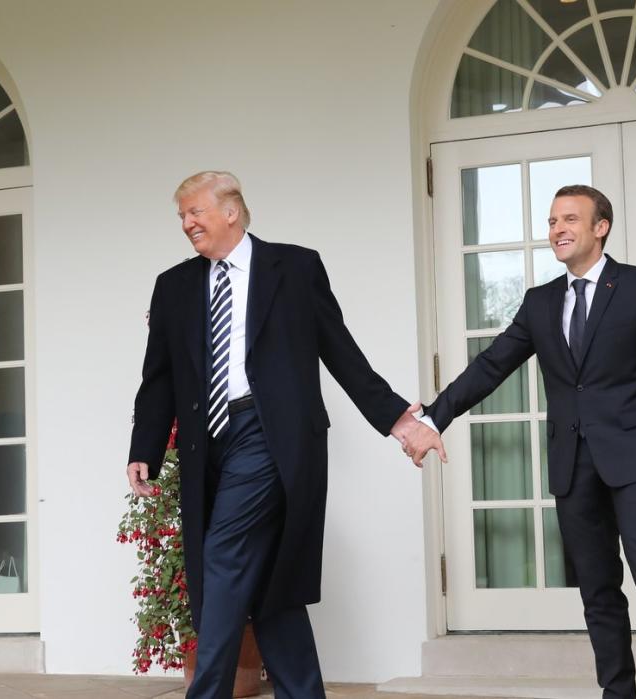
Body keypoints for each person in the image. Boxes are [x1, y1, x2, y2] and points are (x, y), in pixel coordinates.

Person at [400, 185, 636, 698]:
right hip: (572, 466)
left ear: (600, 227)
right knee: (598, 591)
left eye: (569, 219)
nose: (557, 229)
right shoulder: (540, 302)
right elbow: (491, 364)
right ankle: (617, 692)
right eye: (552, 221)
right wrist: (433, 417)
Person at [127, 171, 419, 699]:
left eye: (195, 212)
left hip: (270, 436)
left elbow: (340, 350)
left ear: (231, 211)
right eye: (181, 217)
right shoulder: (173, 286)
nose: (187, 223)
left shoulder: (295, 266)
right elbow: (160, 376)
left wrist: (396, 419)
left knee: (224, 555)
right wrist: (144, 448)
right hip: (206, 446)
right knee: (270, 586)